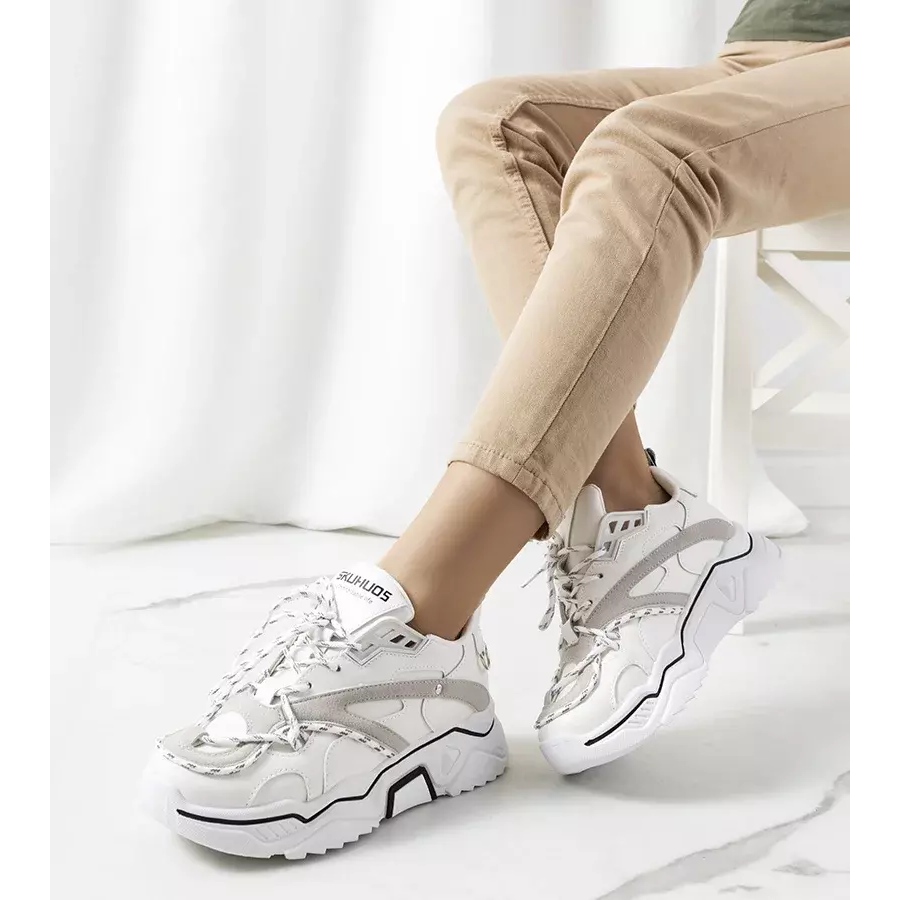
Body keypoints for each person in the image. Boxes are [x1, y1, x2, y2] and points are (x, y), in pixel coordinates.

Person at [140, 0, 849, 859]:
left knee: (648, 153)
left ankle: (421, 614)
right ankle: (632, 514)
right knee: (494, 123)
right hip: (777, 46)